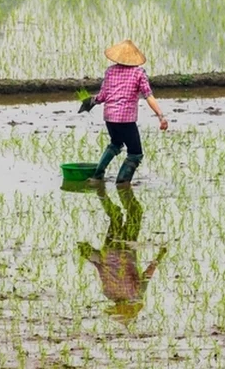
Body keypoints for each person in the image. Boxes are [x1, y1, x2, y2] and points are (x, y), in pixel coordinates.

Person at [77, 184, 166, 326]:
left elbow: (148, 274)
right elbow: (101, 267)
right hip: (110, 248)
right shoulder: (108, 293)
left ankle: (123, 189)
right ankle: (101, 191)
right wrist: (87, 253)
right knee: (116, 217)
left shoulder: (136, 294)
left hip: (126, 248)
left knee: (135, 213)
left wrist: (160, 256)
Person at [88, 40, 168, 185]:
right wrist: (160, 116)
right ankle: (122, 182)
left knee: (116, 143)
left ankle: (97, 176)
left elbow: (102, 96)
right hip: (126, 119)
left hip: (110, 117)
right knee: (135, 153)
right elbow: (148, 95)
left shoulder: (110, 71)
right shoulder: (139, 73)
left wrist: (91, 101)